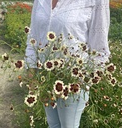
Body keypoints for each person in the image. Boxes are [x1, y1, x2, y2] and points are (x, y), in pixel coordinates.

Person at [25, 0, 110, 128]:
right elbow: (33, 37)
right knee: (53, 125)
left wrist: (78, 82)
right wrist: (32, 76)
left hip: (74, 81)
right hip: (44, 78)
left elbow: (100, 50)